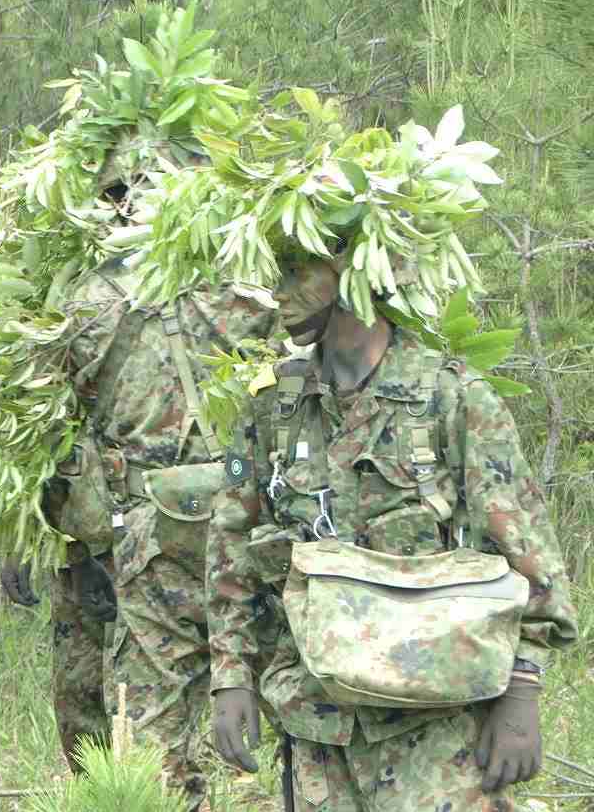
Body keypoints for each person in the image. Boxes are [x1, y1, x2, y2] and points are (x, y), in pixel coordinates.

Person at [208, 252, 578, 810]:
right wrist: (231, 675)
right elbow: (234, 544)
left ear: (358, 272)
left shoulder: (451, 399)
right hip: (316, 722)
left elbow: (526, 550)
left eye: (297, 275)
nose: (279, 296)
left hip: (436, 724)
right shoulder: (274, 410)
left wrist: (522, 690)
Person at [4, 135, 278, 808]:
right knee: (282, 710)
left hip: (148, 535)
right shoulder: (248, 289)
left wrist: (25, 529)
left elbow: (44, 426)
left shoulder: (86, 302)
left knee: (154, 738)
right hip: (249, 525)